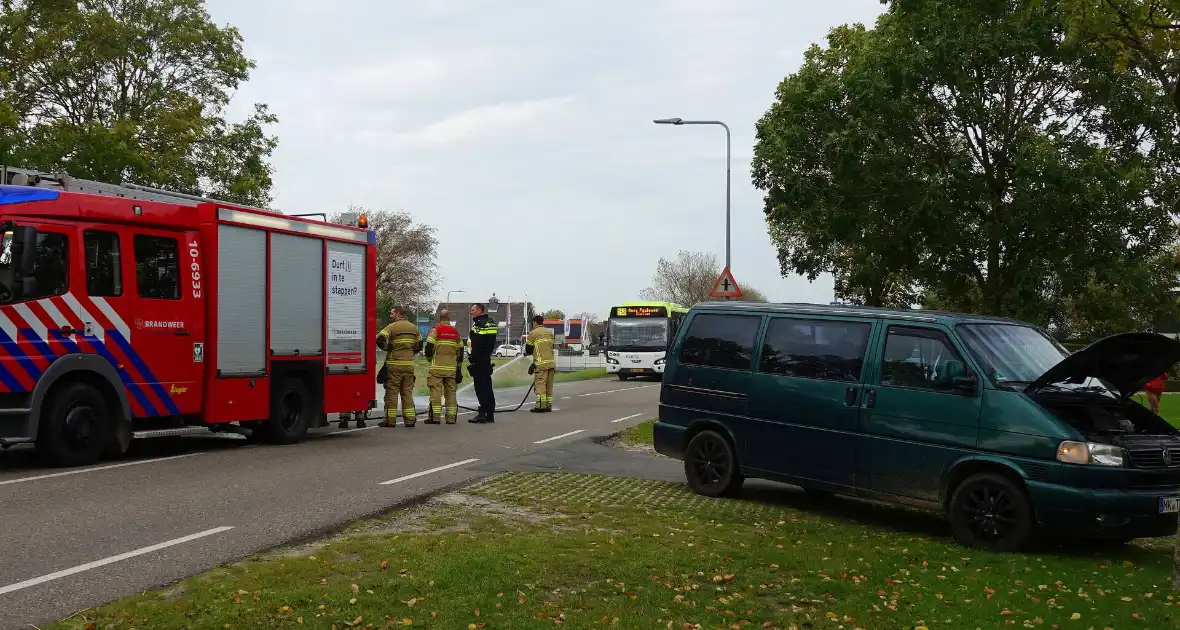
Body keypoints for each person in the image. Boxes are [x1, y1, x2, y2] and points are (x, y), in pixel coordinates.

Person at [375, 306, 422, 427]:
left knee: (392, 393)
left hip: (394, 365)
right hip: (409, 365)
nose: (390, 316)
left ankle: (390, 421)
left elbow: (379, 338)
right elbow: (420, 345)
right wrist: (411, 353)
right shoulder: (414, 328)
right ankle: (410, 420)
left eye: (392, 313)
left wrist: (387, 348)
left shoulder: (391, 327)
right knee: (407, 393)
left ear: (397, 314)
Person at [423, 309, 464, 424]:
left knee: (436, 392)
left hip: (436, 368)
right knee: (451, 393)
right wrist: (458, 368)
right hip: (451, 369)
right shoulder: (455, 332)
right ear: (449, 318)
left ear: (439, 319)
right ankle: (451, 418)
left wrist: (430, 360)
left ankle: (435, 418)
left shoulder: (435, 331)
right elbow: (461, 351)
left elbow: (429, 348)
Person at [466, 302, 499, 423]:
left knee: (480, 388)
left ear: (480, 310)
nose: (471, 312)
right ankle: (490, 413)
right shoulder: (491, 323)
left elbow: (476, 344)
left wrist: (473, 359)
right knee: (487, 386)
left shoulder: (479, 325)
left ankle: (482, 413)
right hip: (486, 359)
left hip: (479, 360)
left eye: (473, 310)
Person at [525, 314, 556, 412]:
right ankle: (548, 405)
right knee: (549, 385)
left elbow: (529, 350)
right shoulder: (550, 332)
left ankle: (540, 406)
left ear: (535, 322)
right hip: (551, 363)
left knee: (540, 385)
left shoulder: (533, 333)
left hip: (541, 364)